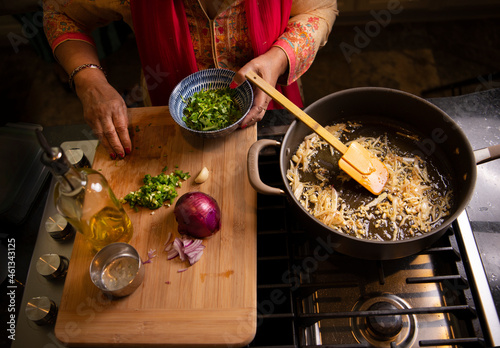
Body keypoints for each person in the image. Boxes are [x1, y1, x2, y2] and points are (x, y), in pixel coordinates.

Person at [42, 0, 338, 159]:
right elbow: (60, 12)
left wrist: (278, 57)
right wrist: (90, 80)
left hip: (271, 101)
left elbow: (319, 8)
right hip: (169, 108)